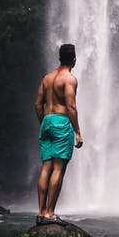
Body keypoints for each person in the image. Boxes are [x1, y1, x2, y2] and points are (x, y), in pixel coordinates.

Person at [34, 43, 83, 225]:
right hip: (62, 122)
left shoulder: (47, 78)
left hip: (47, 121)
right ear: (74, 59)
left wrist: (44, 123)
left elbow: (38, 104)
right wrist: (77, 131)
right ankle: (50, 213)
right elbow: (71, 107)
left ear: (59, 58)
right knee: (58, 168)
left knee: (46, 167)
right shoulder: (69, 79)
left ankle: (40, 212)